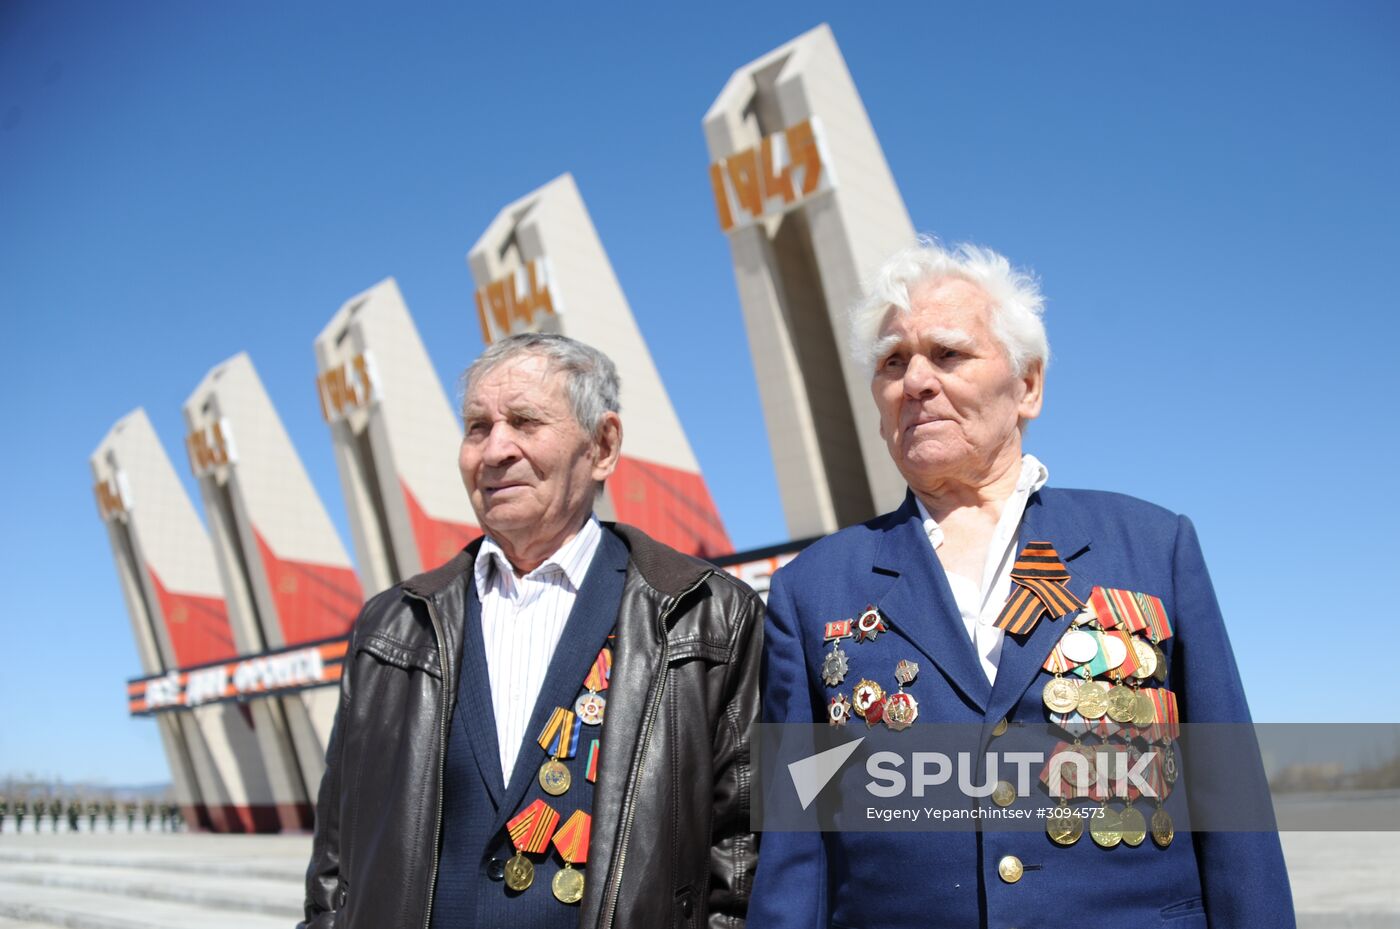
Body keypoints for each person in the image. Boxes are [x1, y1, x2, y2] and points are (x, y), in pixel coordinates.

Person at [748, 239, 1294, 928]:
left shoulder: (1152, 547)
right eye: (892, 361)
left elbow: (1232, 804)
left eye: (947, 353)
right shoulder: (814, 589)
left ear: (1028, 384)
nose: (914, 380)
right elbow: (795, 846)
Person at [300, 333, 762, 929]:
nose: (495, 450)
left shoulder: (712, 616)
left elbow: (749, 854)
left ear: (602, 445)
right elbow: (335, 860)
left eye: (524, 421)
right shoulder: (392, 627)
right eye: (476, 427)